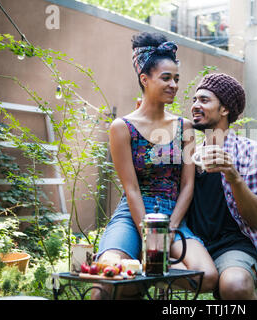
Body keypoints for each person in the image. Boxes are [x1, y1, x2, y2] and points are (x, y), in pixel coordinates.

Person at [92, 32, 218, 299]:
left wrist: (168, 230)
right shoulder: (121, 128)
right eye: (166, 78)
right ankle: (145, 278)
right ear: (144, 79)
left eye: (176, 79)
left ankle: (149, 280)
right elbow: (131, 189)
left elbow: (187, 185)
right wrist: (148, 236)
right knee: (104, 283)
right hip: (132, 216)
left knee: (207, 277)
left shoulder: (184, 127)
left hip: (172, 217)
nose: (173, 85)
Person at [187, 73, 257, 299]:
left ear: (224, 109)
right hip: (191, 245)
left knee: (235, 285)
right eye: (194, 100)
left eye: (204, 100)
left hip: (233, 245)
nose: (195, 105)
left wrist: (233, 176)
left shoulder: (250, 152)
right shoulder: (187, 153)